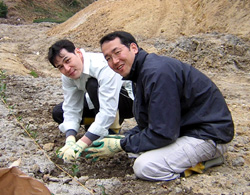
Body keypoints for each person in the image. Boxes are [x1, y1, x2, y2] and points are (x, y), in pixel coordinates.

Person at [85, 31, 234, 181]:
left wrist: (121, 144)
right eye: (108, 58)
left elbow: (163, 133)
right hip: (185, 128)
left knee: (145, 166)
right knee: (135, 150)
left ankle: (206, 161)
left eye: (117, 52)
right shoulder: (141, 74)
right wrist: (122, 138)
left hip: (208, 136)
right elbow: (152, 123)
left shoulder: (157, 73)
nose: (114, 61)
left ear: (134, 48)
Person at [48, 39, 134, 162]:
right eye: (60, 67)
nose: (66, 68)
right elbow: (71, 107)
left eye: (67, 60)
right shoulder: (68, 75)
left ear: (77, 52)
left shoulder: (101, 65)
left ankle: (111, 131)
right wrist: (70, 138)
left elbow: (108, 110)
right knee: (58, 113)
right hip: (97, 101)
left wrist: (82, 143)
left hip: (126, 103)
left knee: (92, 85)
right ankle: (95, 127)